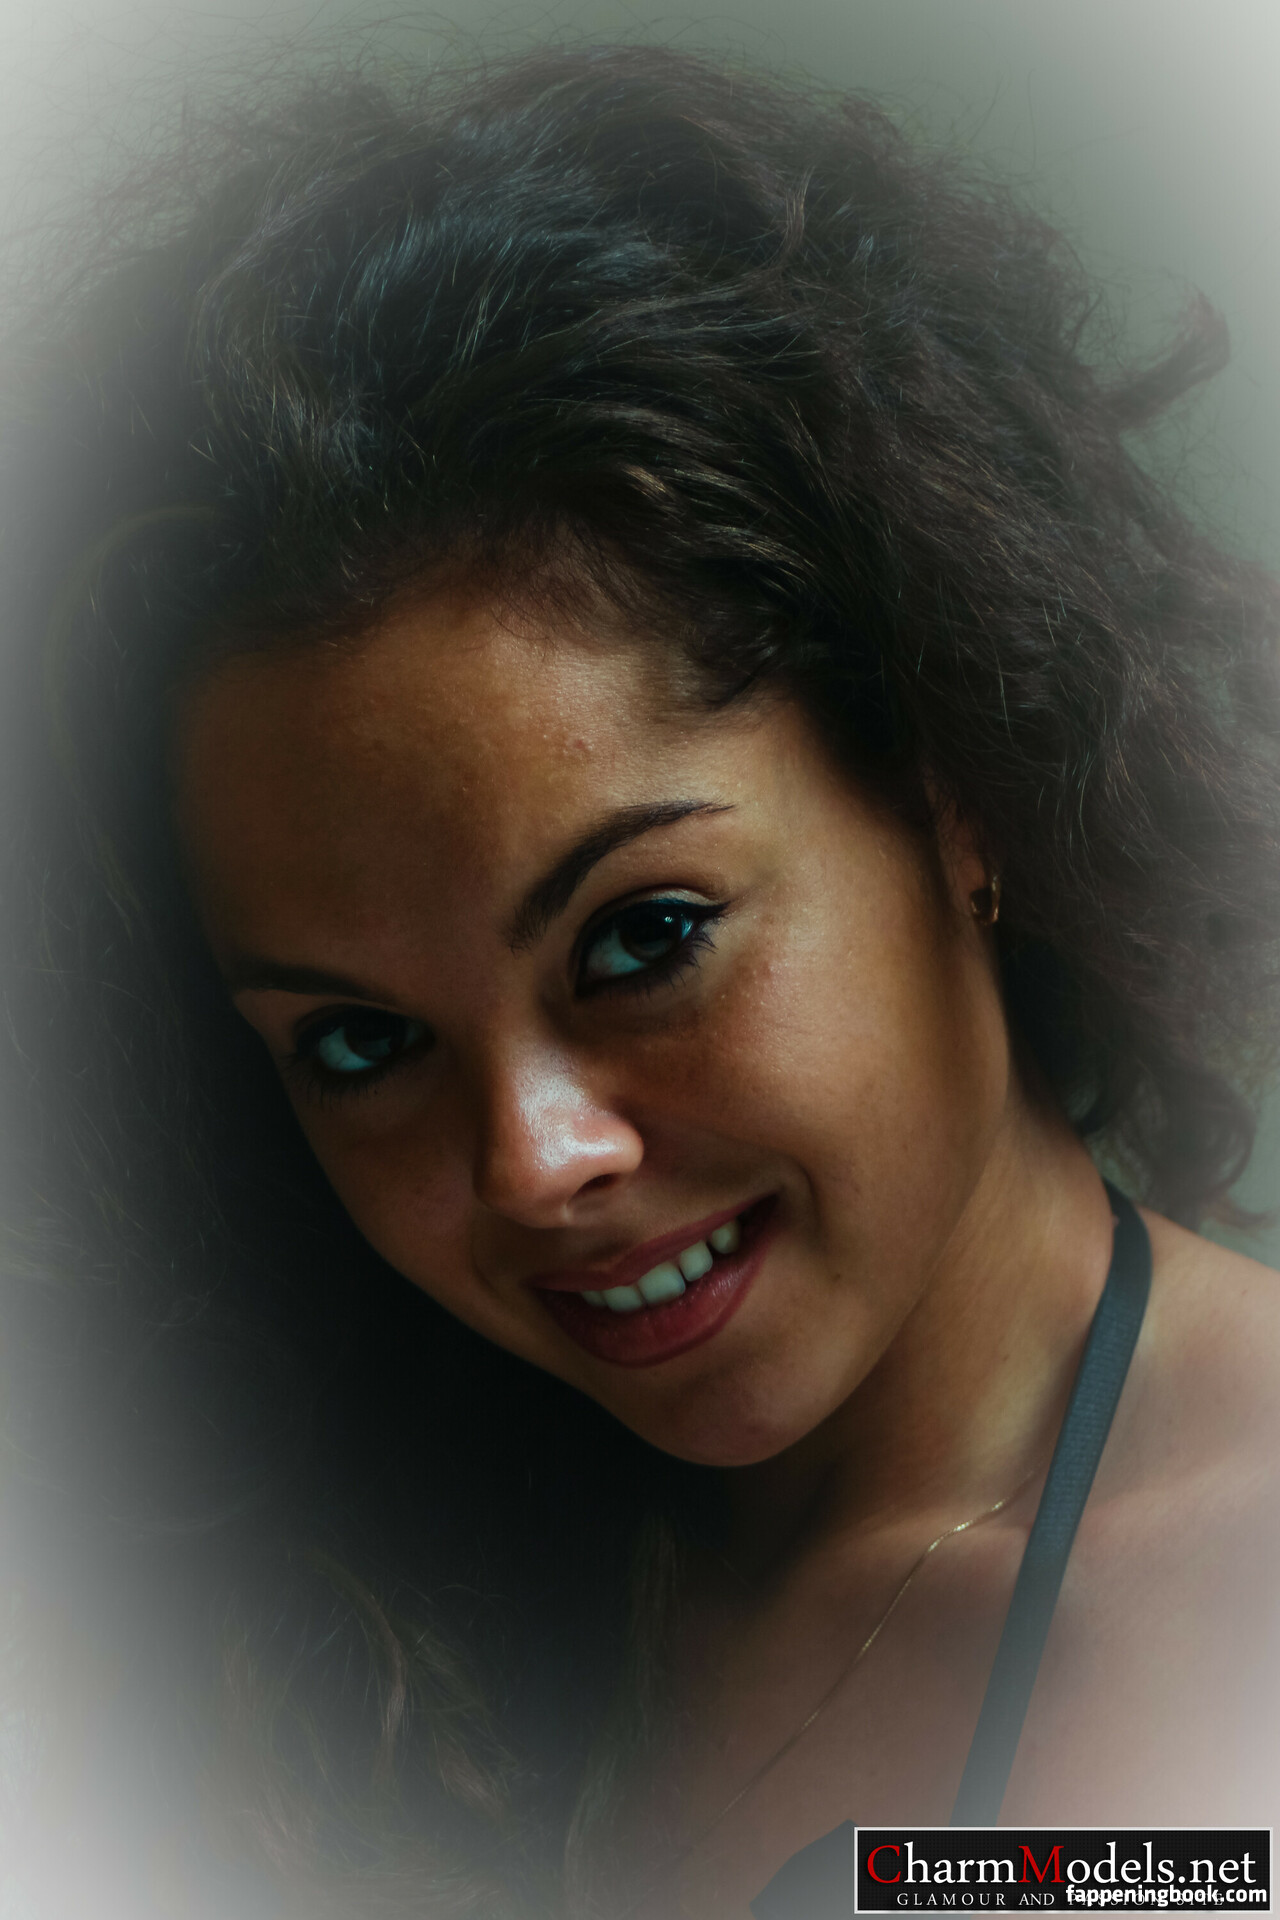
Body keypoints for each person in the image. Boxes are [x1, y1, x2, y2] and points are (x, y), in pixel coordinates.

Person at [2, 42, 1279, 1920]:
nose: (533, 1163)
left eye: (642, 938)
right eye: (362, 1042)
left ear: (959, 793)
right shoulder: (279, 1612)